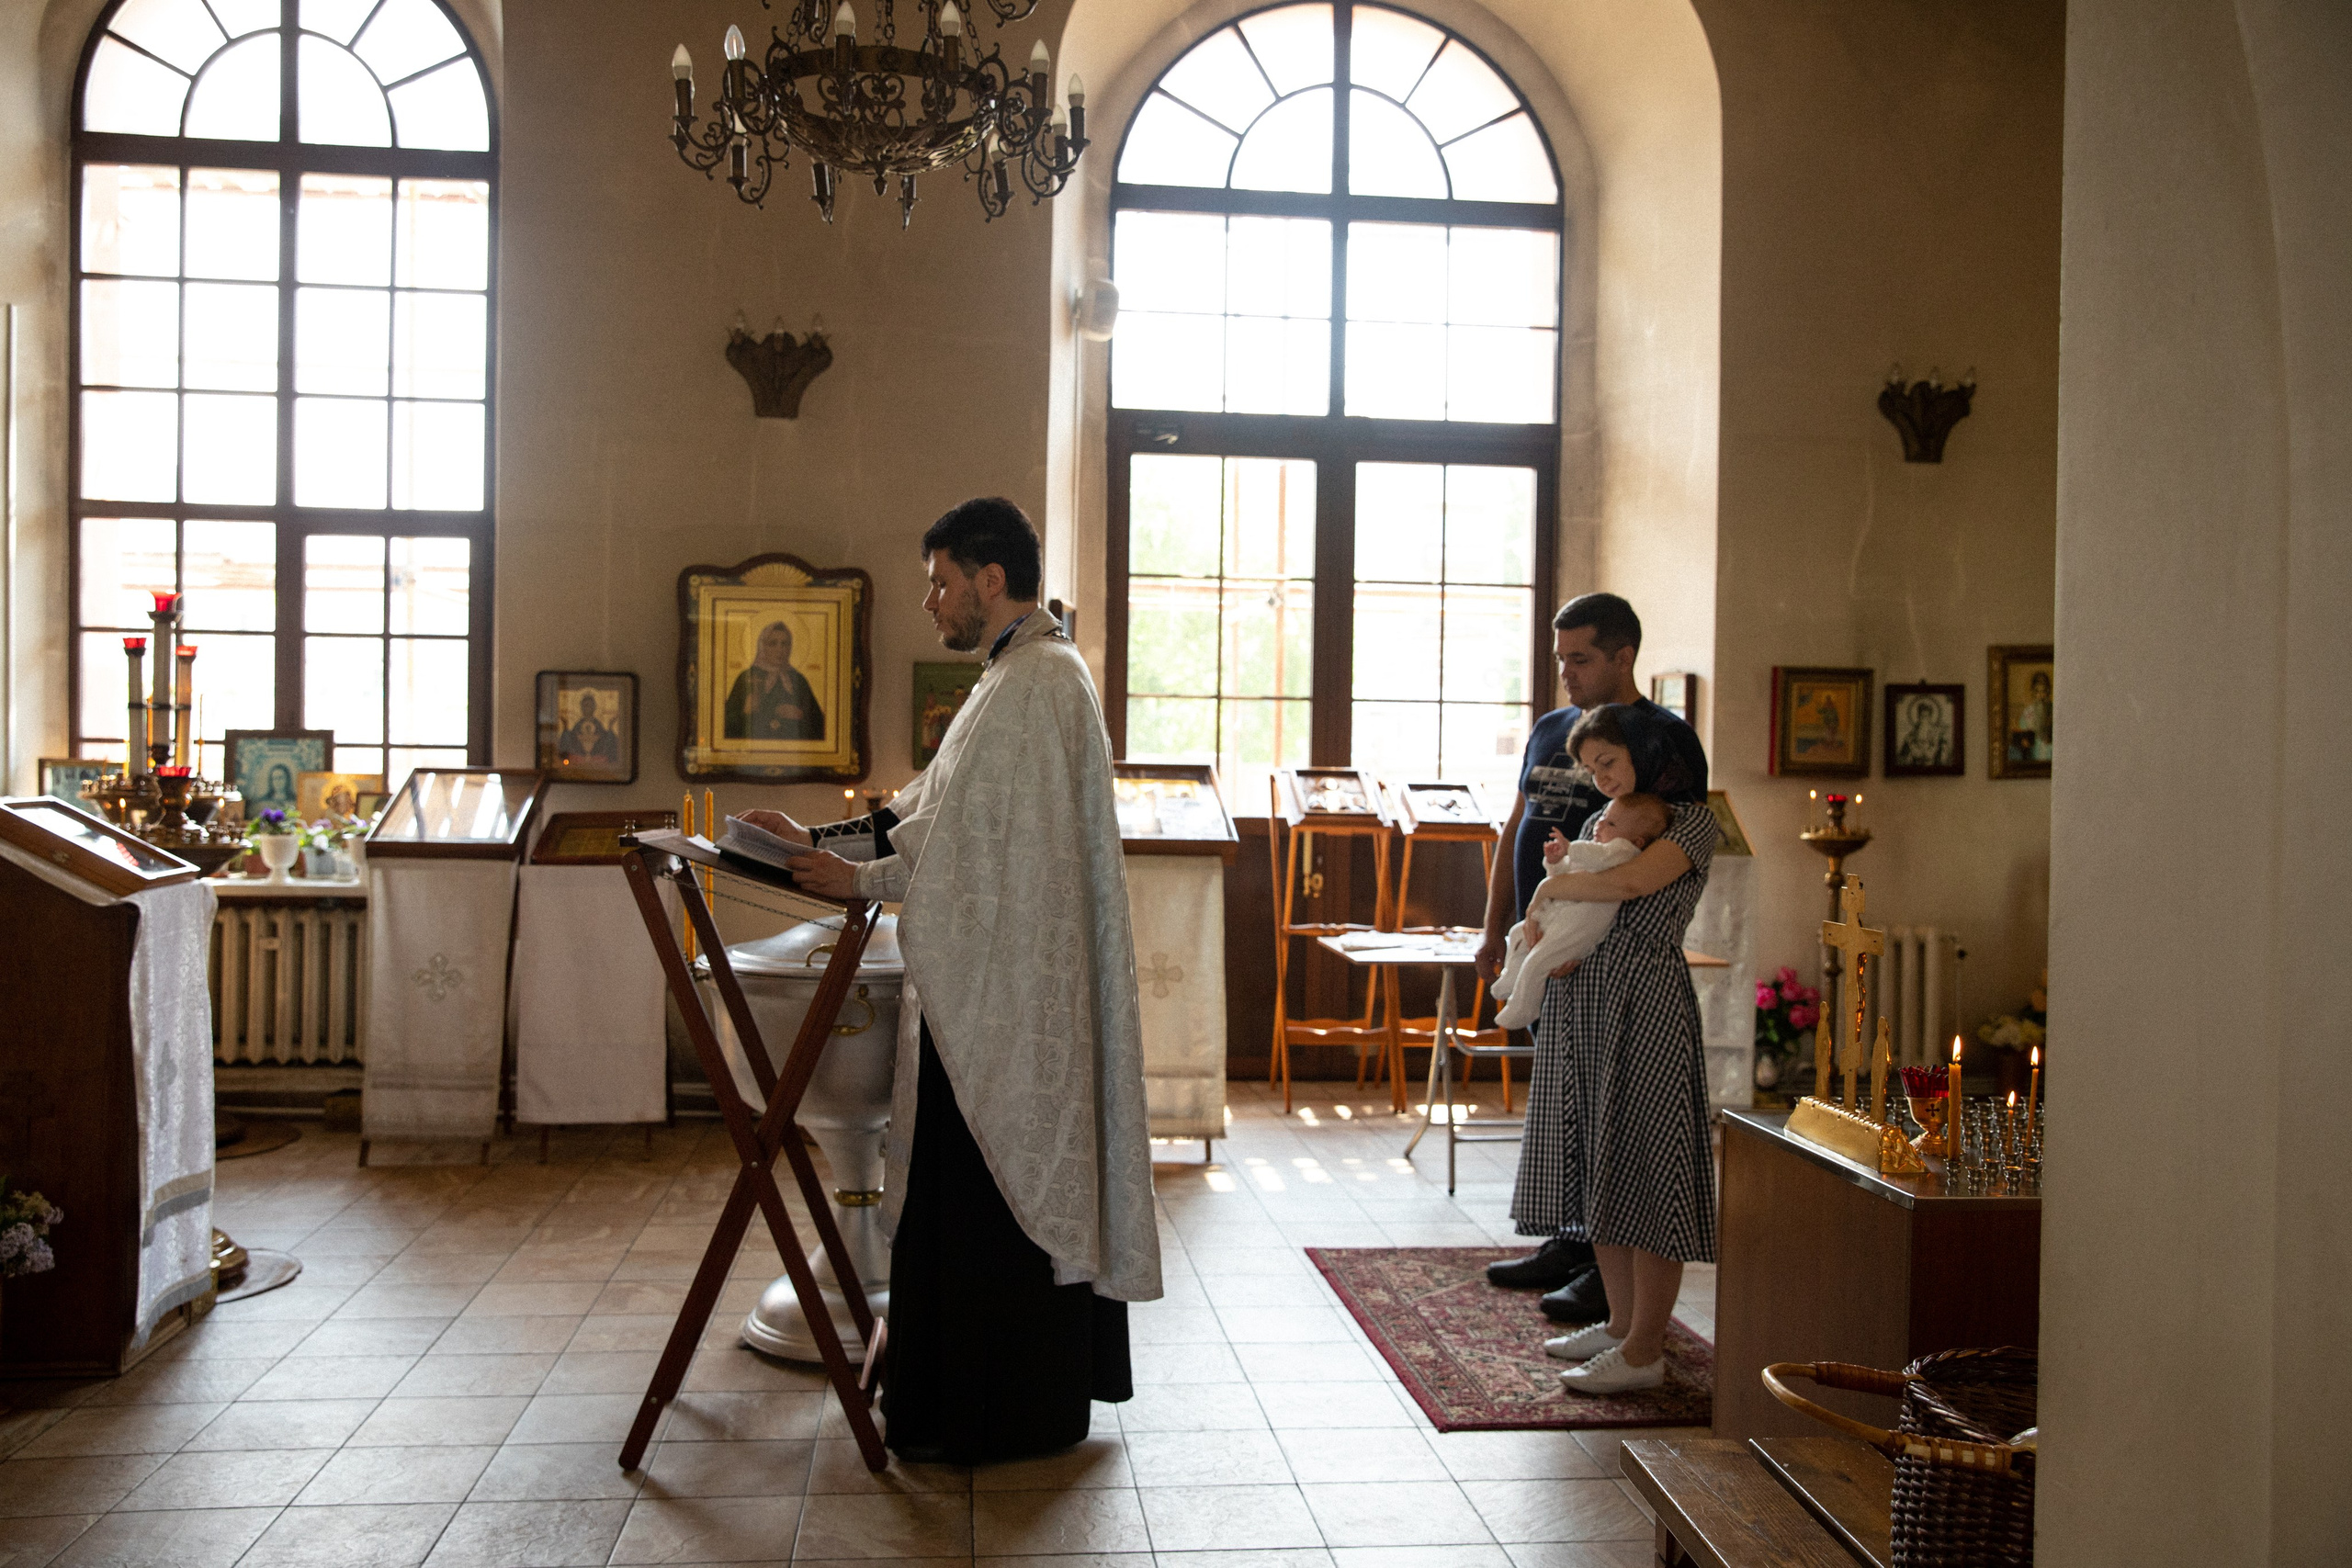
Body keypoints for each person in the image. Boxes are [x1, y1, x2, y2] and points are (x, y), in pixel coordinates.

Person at [736, 497, 1159, 1465]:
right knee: (962, 1190)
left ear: (989, 578)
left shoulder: (1041, 680)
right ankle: (959, 1397)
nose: (930, 602)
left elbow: (972, 851)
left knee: (990, 1193)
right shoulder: (1011, 676)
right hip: (986, 989)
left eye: (939, 582)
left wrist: (862, 881)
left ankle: (997, 1411)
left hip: (1011, 1001)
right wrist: (813, 842)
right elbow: (931, 813)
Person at [1475, 592, 1707, 1324]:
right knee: (1570, 1110)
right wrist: (1496, 925)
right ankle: (1571, 1241)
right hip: (1546, 939)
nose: (1566, 672)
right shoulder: (1553, 729)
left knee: (1616, 1123)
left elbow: (1645, 860)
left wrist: (1577, 934)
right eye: (1561, 658)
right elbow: (1519, 823)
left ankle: (1611, 1290)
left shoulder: (1660, 742)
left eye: (1580, 658)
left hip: (1600, 956)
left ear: (1622, 656)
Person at [1517, 701, 1717, 1393]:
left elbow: (1631, 882)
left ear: (1648, 752)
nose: (1600, 778)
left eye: (1608, 761)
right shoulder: (1601, 821)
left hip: (1645, 1000)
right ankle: (1619, 1325)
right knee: (1600, 1164)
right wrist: (1545, 926)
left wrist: (1549, 890)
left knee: (1648, 1165)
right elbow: (1577, 905)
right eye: (1591, 768)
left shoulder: (1690, 821)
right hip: (1584, 999)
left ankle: (1645, 1351)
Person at [1488, 794, 1668, 1032]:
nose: (1600, 824)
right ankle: (1511, 976)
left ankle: (1524, 1007)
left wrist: (1570, 848)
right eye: (1603, 817)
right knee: (1517, 933)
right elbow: (1563, 875)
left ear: (1638, 840)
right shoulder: (1593, 849)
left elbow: (1599, 858)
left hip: (1581, 925)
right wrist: (1555, 862)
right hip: (1562, 916)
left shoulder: (1624, 851)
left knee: (1539, 960)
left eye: (1611, 823)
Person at [723, 620, 826, 740]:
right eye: (773, 643)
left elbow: (821, 728)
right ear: (762, 647)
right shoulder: (746, 678)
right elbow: (725, 727)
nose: (780, 649)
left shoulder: (798, 680)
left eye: (785, 644)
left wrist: (801, 716)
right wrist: (745, 712)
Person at [558, 692, 622, 767]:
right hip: (578, 759)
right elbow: (571, 740)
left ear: (594, 707)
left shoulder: (598, 725)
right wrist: (565, 727)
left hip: (598, 760)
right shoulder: (578, 725)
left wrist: (610, 727)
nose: (587, 708)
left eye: (590, 705)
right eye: (585, 705)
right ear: (581, 707)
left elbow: (606, 741)